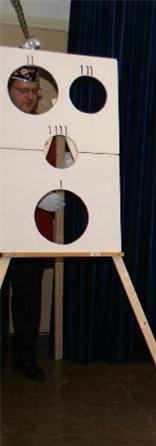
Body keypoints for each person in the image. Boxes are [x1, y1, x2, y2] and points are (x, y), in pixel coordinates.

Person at [1, 67, 64, 380]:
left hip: (34, 229)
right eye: (22, 90)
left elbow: (56, 170)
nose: (29, 97)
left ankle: (25, 357)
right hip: (3, 224)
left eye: (34, 91)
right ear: (8, 91)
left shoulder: (47, 130)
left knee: (28, 296)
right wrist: (34, 199)